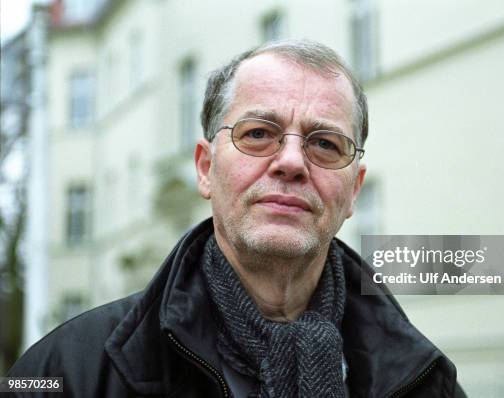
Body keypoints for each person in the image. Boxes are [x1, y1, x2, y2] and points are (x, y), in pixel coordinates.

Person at [8, 40, 466, 397]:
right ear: (206, 169)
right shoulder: (66, 372)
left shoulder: (422, 380)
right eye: (258, 134)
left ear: (353, 191)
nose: (291, 161)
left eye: (325, 144)